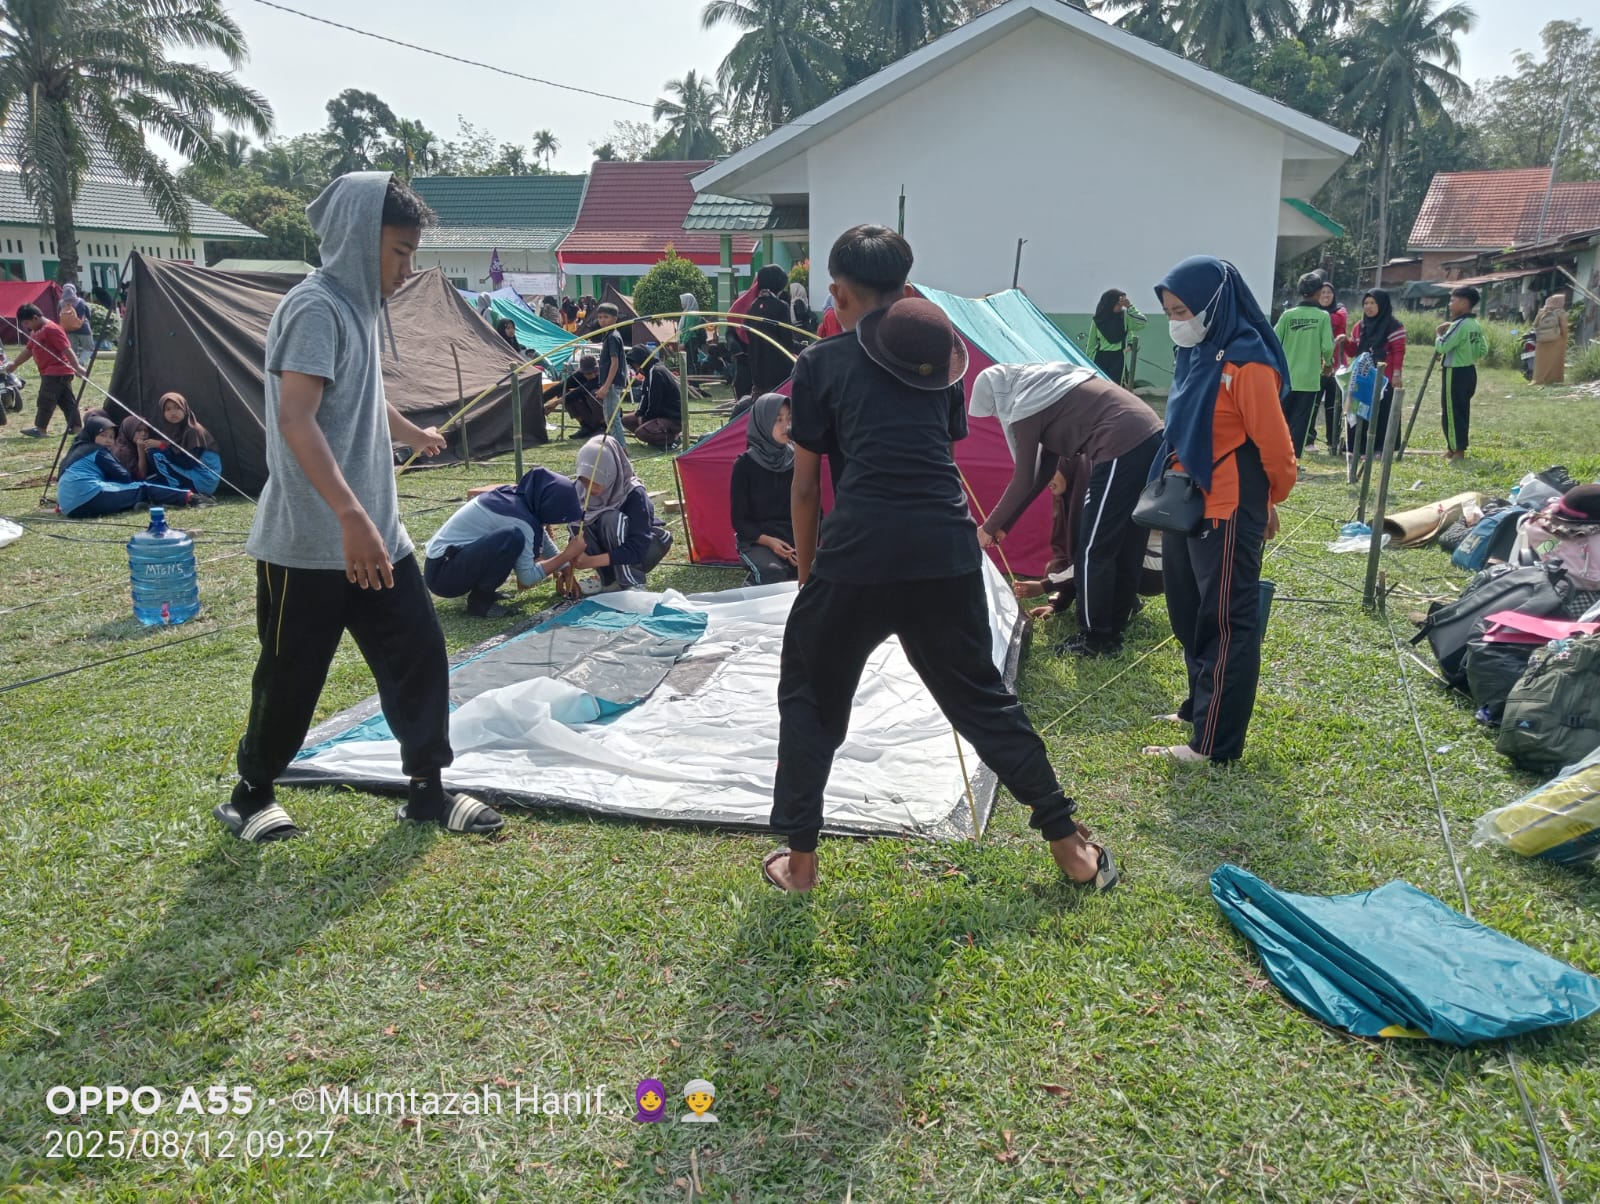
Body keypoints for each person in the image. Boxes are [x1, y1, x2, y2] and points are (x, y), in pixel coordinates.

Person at [765, 223, 1116, 895]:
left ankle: (801, 866)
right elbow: (934, 458)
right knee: (983, 701)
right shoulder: (942, 357)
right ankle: (1072, 849)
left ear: (838, 293)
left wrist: (811, 582)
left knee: (810, 699)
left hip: (856, 558)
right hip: (946, 555)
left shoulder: (820, 364)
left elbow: (806, 488)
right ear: (906, 289)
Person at [218, 171, 506, 844]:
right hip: (310, 543)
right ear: (356, 239)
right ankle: (250, 795)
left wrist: (412, 433)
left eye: (412, 253)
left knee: (418, 656)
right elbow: (296, 418)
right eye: (399, 252)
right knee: (291, 676)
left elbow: (358, 397)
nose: (407, 269)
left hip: (380, 537)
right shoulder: (315, 308)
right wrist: (350, 518)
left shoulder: (361, 308)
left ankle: (427, 791)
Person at [1147, 255, 1296, 765]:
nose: (1176, 321)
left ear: (1214, 303)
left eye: (1182, 310)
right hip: (1186, 503)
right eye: (1169, 312)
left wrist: (1267, 500)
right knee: (1188, 612)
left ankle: (1213, 745)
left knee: (1227, 623)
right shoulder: (1196, 354)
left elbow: (1276, 449)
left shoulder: (1246, 362)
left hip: (1228, 506)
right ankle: (1197, 709)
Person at [970, 362, 1165, 657]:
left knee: (1093, 548)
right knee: (1126, 539)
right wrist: (1004, 525)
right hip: (1148, 434)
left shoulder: (1024, 406)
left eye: (994, 412)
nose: (998, 418)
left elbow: (1023, 479)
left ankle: (1095, 639)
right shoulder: (1044, 392)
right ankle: (1116, 618)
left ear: (999, 397)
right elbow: (1042, 474)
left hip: (1121, 444)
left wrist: (987, 527)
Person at [424, 467, 587, 616]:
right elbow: (527, 577)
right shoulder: (520, 521)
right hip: (444, 576)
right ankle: (480, 603)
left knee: (510, 537)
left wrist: (566, 569)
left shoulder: (519, 498)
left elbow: (540, 534)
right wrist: (566, 555)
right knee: (511, 537)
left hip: (444, 564)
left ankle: (484, 593)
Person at [565, 435, 673, 594]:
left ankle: (631, 582)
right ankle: (609, 581)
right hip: (608, 554)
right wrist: (567, 569)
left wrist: (591, 561)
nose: (590, 488)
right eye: (585, 481)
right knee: (580, 521)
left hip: (644, 549)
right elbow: (575, 535)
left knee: (611, 519)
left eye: (596, 480)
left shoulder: (634, 494)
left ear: (610, 471)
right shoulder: (579, 490)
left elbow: (638, 547)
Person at [56, 414, 197, 518]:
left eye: (111, 437)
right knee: (143, 488)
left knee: (127, 492)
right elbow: (124, 477)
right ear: (92, 434)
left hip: (69, 508)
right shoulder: (97, 451)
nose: (108, 441)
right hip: (88, 497)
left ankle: (138, 504)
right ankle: (189, 497)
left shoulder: (76, 449)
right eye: (103, 435)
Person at [730, 392, 799, 586]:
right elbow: (739, 521)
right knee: (774, 573)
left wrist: (806, 547)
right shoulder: (745, 465)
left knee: (815, 575)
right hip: (758, 539)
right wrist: (770, 542)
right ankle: (753, 585)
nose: (786, 426)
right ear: (763, 422)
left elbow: (813, 510)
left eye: (789, 419)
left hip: (794, 539)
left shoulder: (798, 458)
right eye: (778, 420)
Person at [1272, 272, 1334, 458]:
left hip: (1286, 379)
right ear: (1318, 292)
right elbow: (1327, 346)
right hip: (1309, 380)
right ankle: (1292, 461)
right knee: (1300, 422)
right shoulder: (1322, 316)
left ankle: (1277, 458)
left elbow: (1274, 341)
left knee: (1281, 419)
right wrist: (1328, 364)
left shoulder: (1287, 315)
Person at [1342, 287, 1406, 455]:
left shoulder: (1393, 326)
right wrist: (1344, 342)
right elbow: (1354, 351)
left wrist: (1397, 374)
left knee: (1383, 411)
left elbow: (1398, 352)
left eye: (1373, 303)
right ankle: (1357, 447)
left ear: (1382, 305)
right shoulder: (1360, 326)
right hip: (1362, 377)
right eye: (1366, 303)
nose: (1368, 307)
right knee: (1358, 409)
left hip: (1383, 378)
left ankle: (1380, 448)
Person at [8, 302, 86, 437]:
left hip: (57, 372)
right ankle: (76, 427)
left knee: (45, 399)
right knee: (66, 401)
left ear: (35, 318)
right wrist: (15, 363)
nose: (26, 327)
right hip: (51, 372)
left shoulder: (51, 329)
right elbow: (29, 350)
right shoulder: (36, 331)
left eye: (27, 323)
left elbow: (66, 349)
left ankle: (41, 429)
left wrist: (77, 366)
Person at [1434, 285, 1488, 462]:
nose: (1450, 304)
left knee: (1451, 412)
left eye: (1453, 301)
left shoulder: (1460, 324)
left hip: (1455, 373)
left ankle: (1457, 450)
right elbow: (1483, 350)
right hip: (1469, 371)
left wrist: (1438, 333)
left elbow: (1443, 346)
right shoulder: (1475, 325)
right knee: (1462, 410)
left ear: (1464, 303)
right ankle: (1453, 448)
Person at [146, 392, 223, 496]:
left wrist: (162, 446)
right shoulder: (176, 429)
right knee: (149, 484)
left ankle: (175, 491)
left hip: (204, 480)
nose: (173, 413)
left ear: (185, 409)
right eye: (168, 409)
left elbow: (187, 463)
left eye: (177, 408)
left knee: (155, 454)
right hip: (195, 476)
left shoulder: (193, 430)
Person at [1084, 289, 1147, 389]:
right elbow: (1091, 345)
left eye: (1122, 304)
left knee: (1116, 389)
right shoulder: (1098, 320)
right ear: (1110, 303)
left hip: (1118, 359)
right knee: (1100, 388)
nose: (1121, 306)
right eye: (1118, 304)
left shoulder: (1124, 318)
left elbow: (1142, 322)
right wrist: (1089, 366)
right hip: (1100, 358)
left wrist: (1129, 306)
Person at [620, 347, 682, 448]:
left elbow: (654, 402)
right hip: (659, 415)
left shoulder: (656, 372)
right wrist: (640, 414)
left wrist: (645, 419)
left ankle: (672, 438)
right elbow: (644, 397)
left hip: (671, 417)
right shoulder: (648, 372)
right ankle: (656, 438)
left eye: (633, 364)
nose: (633, 367)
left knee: (641, 433)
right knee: (626, 420)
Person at [1313, 280, 1348, 453]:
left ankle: (1332, 442)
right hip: (1315, 365)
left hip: (1336, 365)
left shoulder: (1339, 312)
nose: (1326, 295)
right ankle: (1309, 440)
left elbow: (1336, 320)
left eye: (1329, 292)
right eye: (1322, 292)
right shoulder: (1315, 313)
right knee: (1313, 404)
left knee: (1334, 406)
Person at [590, 302, 628, 440]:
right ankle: (617, 445)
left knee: (612, 418)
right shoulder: (608, 335)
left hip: (612, 383)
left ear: (615, 318)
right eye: (600, 317)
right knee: (609, 416)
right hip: (610, 382)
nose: (602, 320)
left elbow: (615, 363)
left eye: (606, 317)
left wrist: (606, 386)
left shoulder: (613, 337)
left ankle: (620, 447)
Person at [555, 355, 609, 438]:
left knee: (593, 393)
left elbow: (584, 389)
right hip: (589, 412)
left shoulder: (603, 375)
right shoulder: (578, 376)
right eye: (588, 373)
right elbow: (559, 387)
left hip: (607, 412)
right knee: (565, 393)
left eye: (595, 371)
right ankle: (585, 426)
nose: (593, 375)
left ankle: (603, 426)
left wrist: (556, 402)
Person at [1532, 294, 1568, 385]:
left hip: (1541, 341)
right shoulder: (1560, 312)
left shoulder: (1542, 311)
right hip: (1556, 341)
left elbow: (1535, 325)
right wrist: (1564, 338)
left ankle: (1538, 379)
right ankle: (1554, 379)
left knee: (1540, 363)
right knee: (1554, 362)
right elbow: (1564, 328)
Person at [59, 284, 94, 361]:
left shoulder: (61, 303)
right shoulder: (81, 302)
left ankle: (73, 365)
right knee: (89, 349)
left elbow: (58, 315)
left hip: (68, 330)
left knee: (72, 351)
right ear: (74, 291)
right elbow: (88, 315)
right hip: (83, 329)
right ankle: (81, 363)